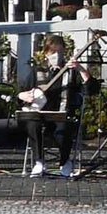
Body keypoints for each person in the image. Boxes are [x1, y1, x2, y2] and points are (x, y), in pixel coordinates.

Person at [18, 35, 89, 178]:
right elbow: (21, 92)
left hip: (63, 114)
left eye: (60, 52)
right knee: (32, 125)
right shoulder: (37, 70)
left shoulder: (71, 72)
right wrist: (22, 95)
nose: (57, 56)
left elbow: (90, 89)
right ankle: (39, 162)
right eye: (53, 52)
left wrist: (81, 69)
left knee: (63, 129)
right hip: (40, 115)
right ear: (46, 53)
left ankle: (65, 162)